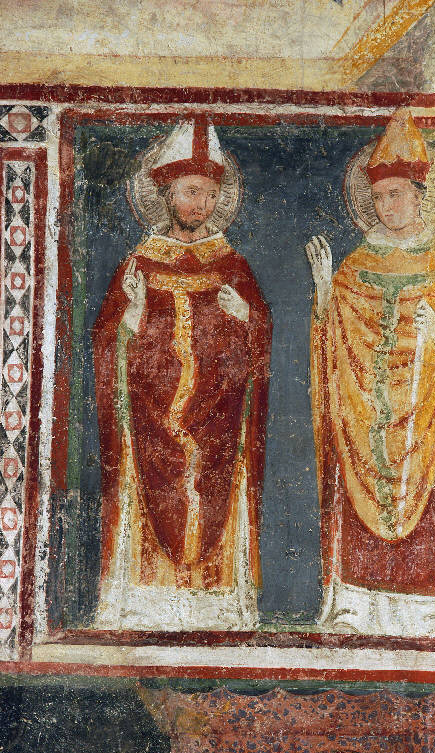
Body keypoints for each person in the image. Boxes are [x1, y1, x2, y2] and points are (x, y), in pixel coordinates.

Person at [93, 120, 271, 630]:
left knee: (218, 485)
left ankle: (216, 607)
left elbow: (259, 341)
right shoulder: (140, 264)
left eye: (211, 195)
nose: (202, 205)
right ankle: (144, 603)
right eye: (192, 192)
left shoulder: (231, 265)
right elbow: (107, 340)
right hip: (149, 420)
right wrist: (130, 320)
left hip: (219, 418)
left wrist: (247, 318)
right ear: (167, 192)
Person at [305, 108, 435, 636]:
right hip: (363, 411)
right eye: (377, 198)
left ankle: (419, 610)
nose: (386, 206)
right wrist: (324, 291)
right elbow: (333, 343)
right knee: (354, 472)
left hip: (422, 416)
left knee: (429, 496)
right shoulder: (355, 266)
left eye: (395, 194)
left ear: (421, 195)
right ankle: (356, 604)